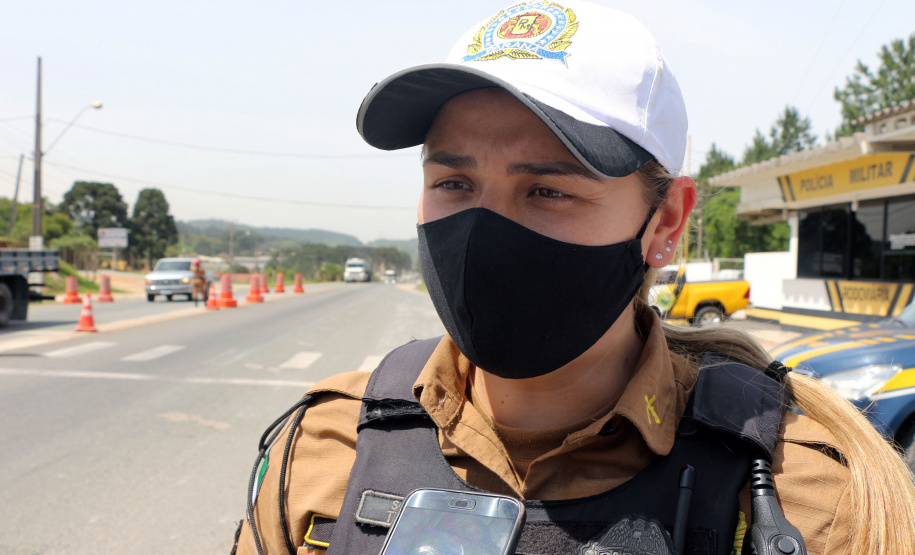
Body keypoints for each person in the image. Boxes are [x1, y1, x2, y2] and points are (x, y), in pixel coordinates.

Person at [231, 3, 915, 554]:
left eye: (547, 191)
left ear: (665, 221)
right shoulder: (327, 448)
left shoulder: (802, 497)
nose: (480, 233)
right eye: (452, 182)